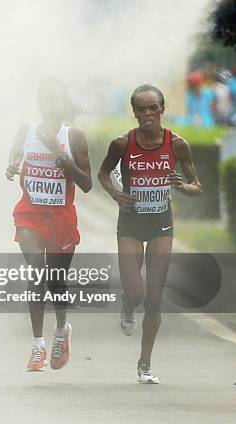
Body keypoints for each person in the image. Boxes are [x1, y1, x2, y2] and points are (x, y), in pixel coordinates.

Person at [98, 84, 202, 384]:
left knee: (154, 299)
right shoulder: (121, 144)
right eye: (141, 109)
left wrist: (183, 187)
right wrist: (117, 194)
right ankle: (127, 303)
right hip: (130, 223)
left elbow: (197, 187)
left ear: (162, 110)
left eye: (152, 108)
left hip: (161, 224)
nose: (147, 114)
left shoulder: (177, 144)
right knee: (136, 292)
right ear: (134, 112)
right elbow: (103, 174)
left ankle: (144, 363)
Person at [6, 79, 92, 372]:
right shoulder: (26, 131)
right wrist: (11, 166)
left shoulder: (74, 136)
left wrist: (62, 158)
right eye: (42, 98)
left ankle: (61, 331)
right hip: (29, 213)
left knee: (55, 282)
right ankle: (36, 345)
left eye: (53, 98)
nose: (47, 103)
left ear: (63, 101)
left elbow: (87, 183)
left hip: (61, 219)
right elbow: (14, 156)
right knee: (36, 274)